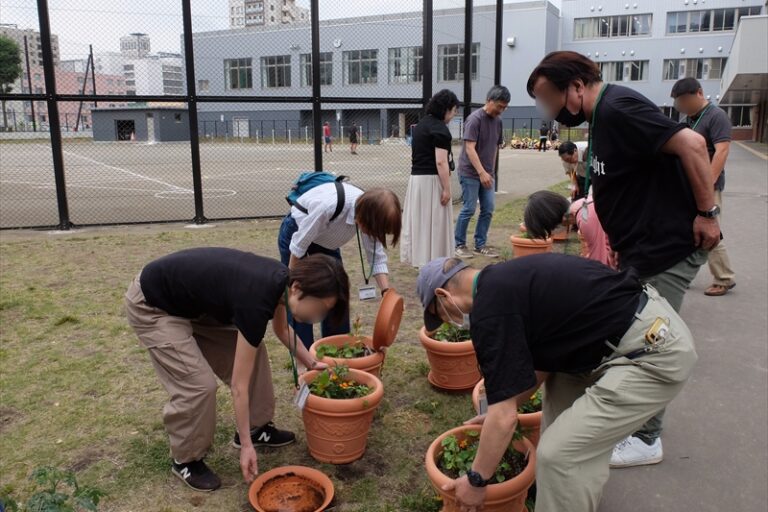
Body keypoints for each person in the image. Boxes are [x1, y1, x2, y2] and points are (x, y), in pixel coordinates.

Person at [527, 51, 720, 467]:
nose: (551, 111)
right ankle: (637, 425)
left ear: (576, 86)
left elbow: (692, 143)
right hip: (639, 247)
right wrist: (616, 235)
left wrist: (707, 214)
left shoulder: (617, 107)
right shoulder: (600, 120)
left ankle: (647, 439)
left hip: (667, 246)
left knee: (653, 342)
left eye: (549, 99)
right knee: (634, 332)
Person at [417, 255, 697, 512]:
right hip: (621, 335)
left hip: (652, 354)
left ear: (444, 295)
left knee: (559, 455)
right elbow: (540, 366)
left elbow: (504, 419)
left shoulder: (490, 311)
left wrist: (476, 480)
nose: (448, 323)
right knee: (562, 425)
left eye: (440, 315)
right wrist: (499, 411)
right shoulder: (503, 282)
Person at [125, 250, 349, 491]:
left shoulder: (280, 283)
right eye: (321, 309)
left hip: (194, 307)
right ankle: (186, 460)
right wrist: (246, 447)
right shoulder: (257, 298)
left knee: (257, 352)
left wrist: (312, 363)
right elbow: (239, 388)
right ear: (297, 288)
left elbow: (282, 330)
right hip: (154, 305)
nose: (318, 318)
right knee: (199, 386)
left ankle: (257, 427)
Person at [278, 185, 401, 349]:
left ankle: (337, 350)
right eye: (377, 231)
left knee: (338, 291)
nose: (376, 236)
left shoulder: (369, 211)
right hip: (298, 234)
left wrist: (386, 292)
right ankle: (305, 357)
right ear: (367, 219)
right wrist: (292, 282)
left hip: (326, 241)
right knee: (301, 298)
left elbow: (376, 256)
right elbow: (298, 247)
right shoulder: (327, 207)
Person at [672, 77, 736, 297]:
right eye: (679, 102)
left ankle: (724, 278)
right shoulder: (689, 119)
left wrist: (706, 186)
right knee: (686, 230)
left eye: (685, 100)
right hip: (688, 186)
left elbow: (722, 151)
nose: (682, 106)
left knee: (710, 231)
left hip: (707, 187)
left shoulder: (716, 116)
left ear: (699, 93)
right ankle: (683, 273)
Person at [401, 89, 460, 268]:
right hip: (432, 181)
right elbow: (441, 162)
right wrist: (447, 189)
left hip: (417, 181)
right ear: (447, 109)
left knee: (421, 221)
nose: (454, 114)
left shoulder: (420, 126)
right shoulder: (440, 129)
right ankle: (436, 261)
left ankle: (422, 260)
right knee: (436, 222)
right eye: (454, 110)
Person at [454, 85, 510, 259]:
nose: (501, 110)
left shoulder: (498, 122)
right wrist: (481, 172)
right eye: (499, 106)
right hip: (470, 172)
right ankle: (459, 244)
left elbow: (494, 147)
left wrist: (490, 172)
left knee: (488, 208)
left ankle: (480, 244)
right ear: (489, 101)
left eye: (504, 107)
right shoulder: (475, 119)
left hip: (486, 173)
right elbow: (470, 148)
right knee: (469, 208)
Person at [524, 189, 613, 267]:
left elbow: (601, 262)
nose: (552, 234)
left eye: (549, 230)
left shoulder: (585, 217)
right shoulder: (583, 204)